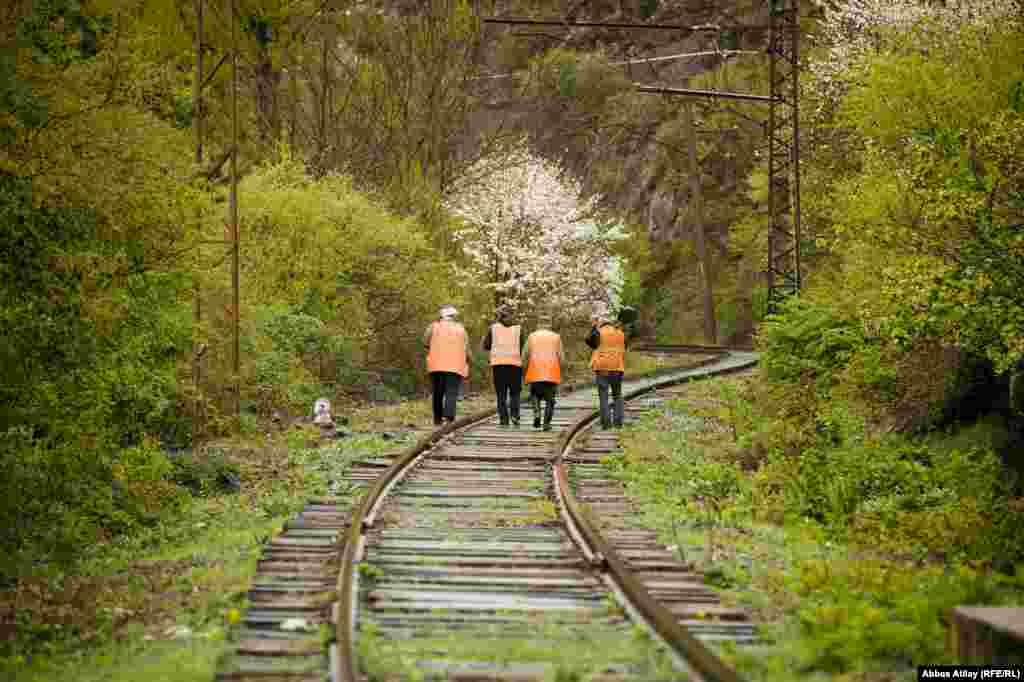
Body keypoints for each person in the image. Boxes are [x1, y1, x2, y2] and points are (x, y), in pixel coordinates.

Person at [423, 305, 469, 426]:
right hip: (455, 365)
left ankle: (437, 419)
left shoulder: (432, 327)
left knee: (437, 392)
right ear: (454, 316)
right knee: (451, 392)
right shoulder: (461, 329)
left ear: (441, 316)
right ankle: (449, 419)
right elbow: (465, 347)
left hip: (436, 365)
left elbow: (426, 342)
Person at [481, 305, 523, 427]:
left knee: (501, 394)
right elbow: (522, 347)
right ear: (512, 315)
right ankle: (515, 416)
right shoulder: (519, 329)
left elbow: (486, 346)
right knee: (515, 393)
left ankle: (503, 420)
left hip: (498, 365)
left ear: (499, 316)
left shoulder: (492, 328)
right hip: (515, 364)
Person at [587, 308, 628, 429]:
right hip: (617, 367)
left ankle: (606, 424)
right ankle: (618, 422)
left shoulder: (599, 332)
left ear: (601, 322)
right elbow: (625, 346)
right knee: (617, 395)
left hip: (602, 367)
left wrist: (594, 326)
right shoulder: (620, 333)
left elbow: (589, 342)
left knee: (603, 396)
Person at [522, 312, 563, 431]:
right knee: (550, 400)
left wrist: (524, 369)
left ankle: (537, 413)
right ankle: (546, 424)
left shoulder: (531, 336)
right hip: (551, 373)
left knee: (535, 395)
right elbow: (561, 357)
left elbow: (525, 355)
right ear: (549, 324)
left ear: (539, 324)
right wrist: (561, 368)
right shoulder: (556, 337)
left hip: (535, 371)